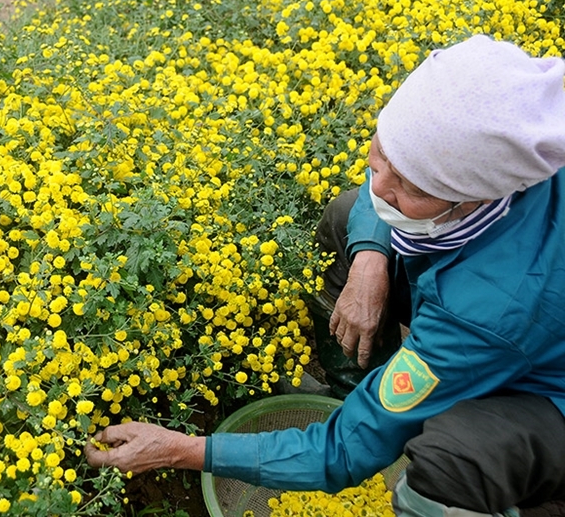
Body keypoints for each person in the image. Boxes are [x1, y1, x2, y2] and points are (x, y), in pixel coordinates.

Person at [85, 35, 565, 517]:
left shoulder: (486, 308)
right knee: (349, 218)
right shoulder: (508, 140)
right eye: (382, 156)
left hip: (545, 391)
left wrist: (182, 450)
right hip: (495, 315)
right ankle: (356, 395)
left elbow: (343, 451)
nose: (379, 185)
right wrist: (371, 256)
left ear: (475, 196)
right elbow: (395, 176)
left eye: (410, 186)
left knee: (452, 460)